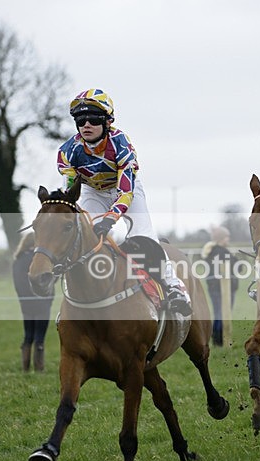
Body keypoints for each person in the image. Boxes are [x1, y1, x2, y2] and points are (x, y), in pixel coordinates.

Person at [57, 88, 191, 316]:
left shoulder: (121, 144)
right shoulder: (67, 152)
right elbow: (71, 192)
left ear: (107, 121)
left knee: (144, 235)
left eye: (93, 119)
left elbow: (126, 192)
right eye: (80, 119)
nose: (86, 124)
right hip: (92, 192)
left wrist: (109, 220)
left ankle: (174, 287)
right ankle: (71, 300)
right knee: (83, 239)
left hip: (125, 189)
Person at [13, 233, 53, 372]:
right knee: (39, 337)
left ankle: (25, 368)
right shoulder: (38, 259)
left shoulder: (18, 259)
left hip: (26, 303)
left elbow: (19, 283)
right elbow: (48, 279)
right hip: (41, 302)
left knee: (28, 335)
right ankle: (39, 368)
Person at [201, 226, 240, 346]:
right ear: (221, 238)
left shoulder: (211, 251)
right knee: (223, 313)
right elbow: (236, 266)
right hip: (223, 288)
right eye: (227, 237)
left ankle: (217, 339)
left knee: (218, 312)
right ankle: (220, 339)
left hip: (214, 287)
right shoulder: (222, 252)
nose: (228, 239)